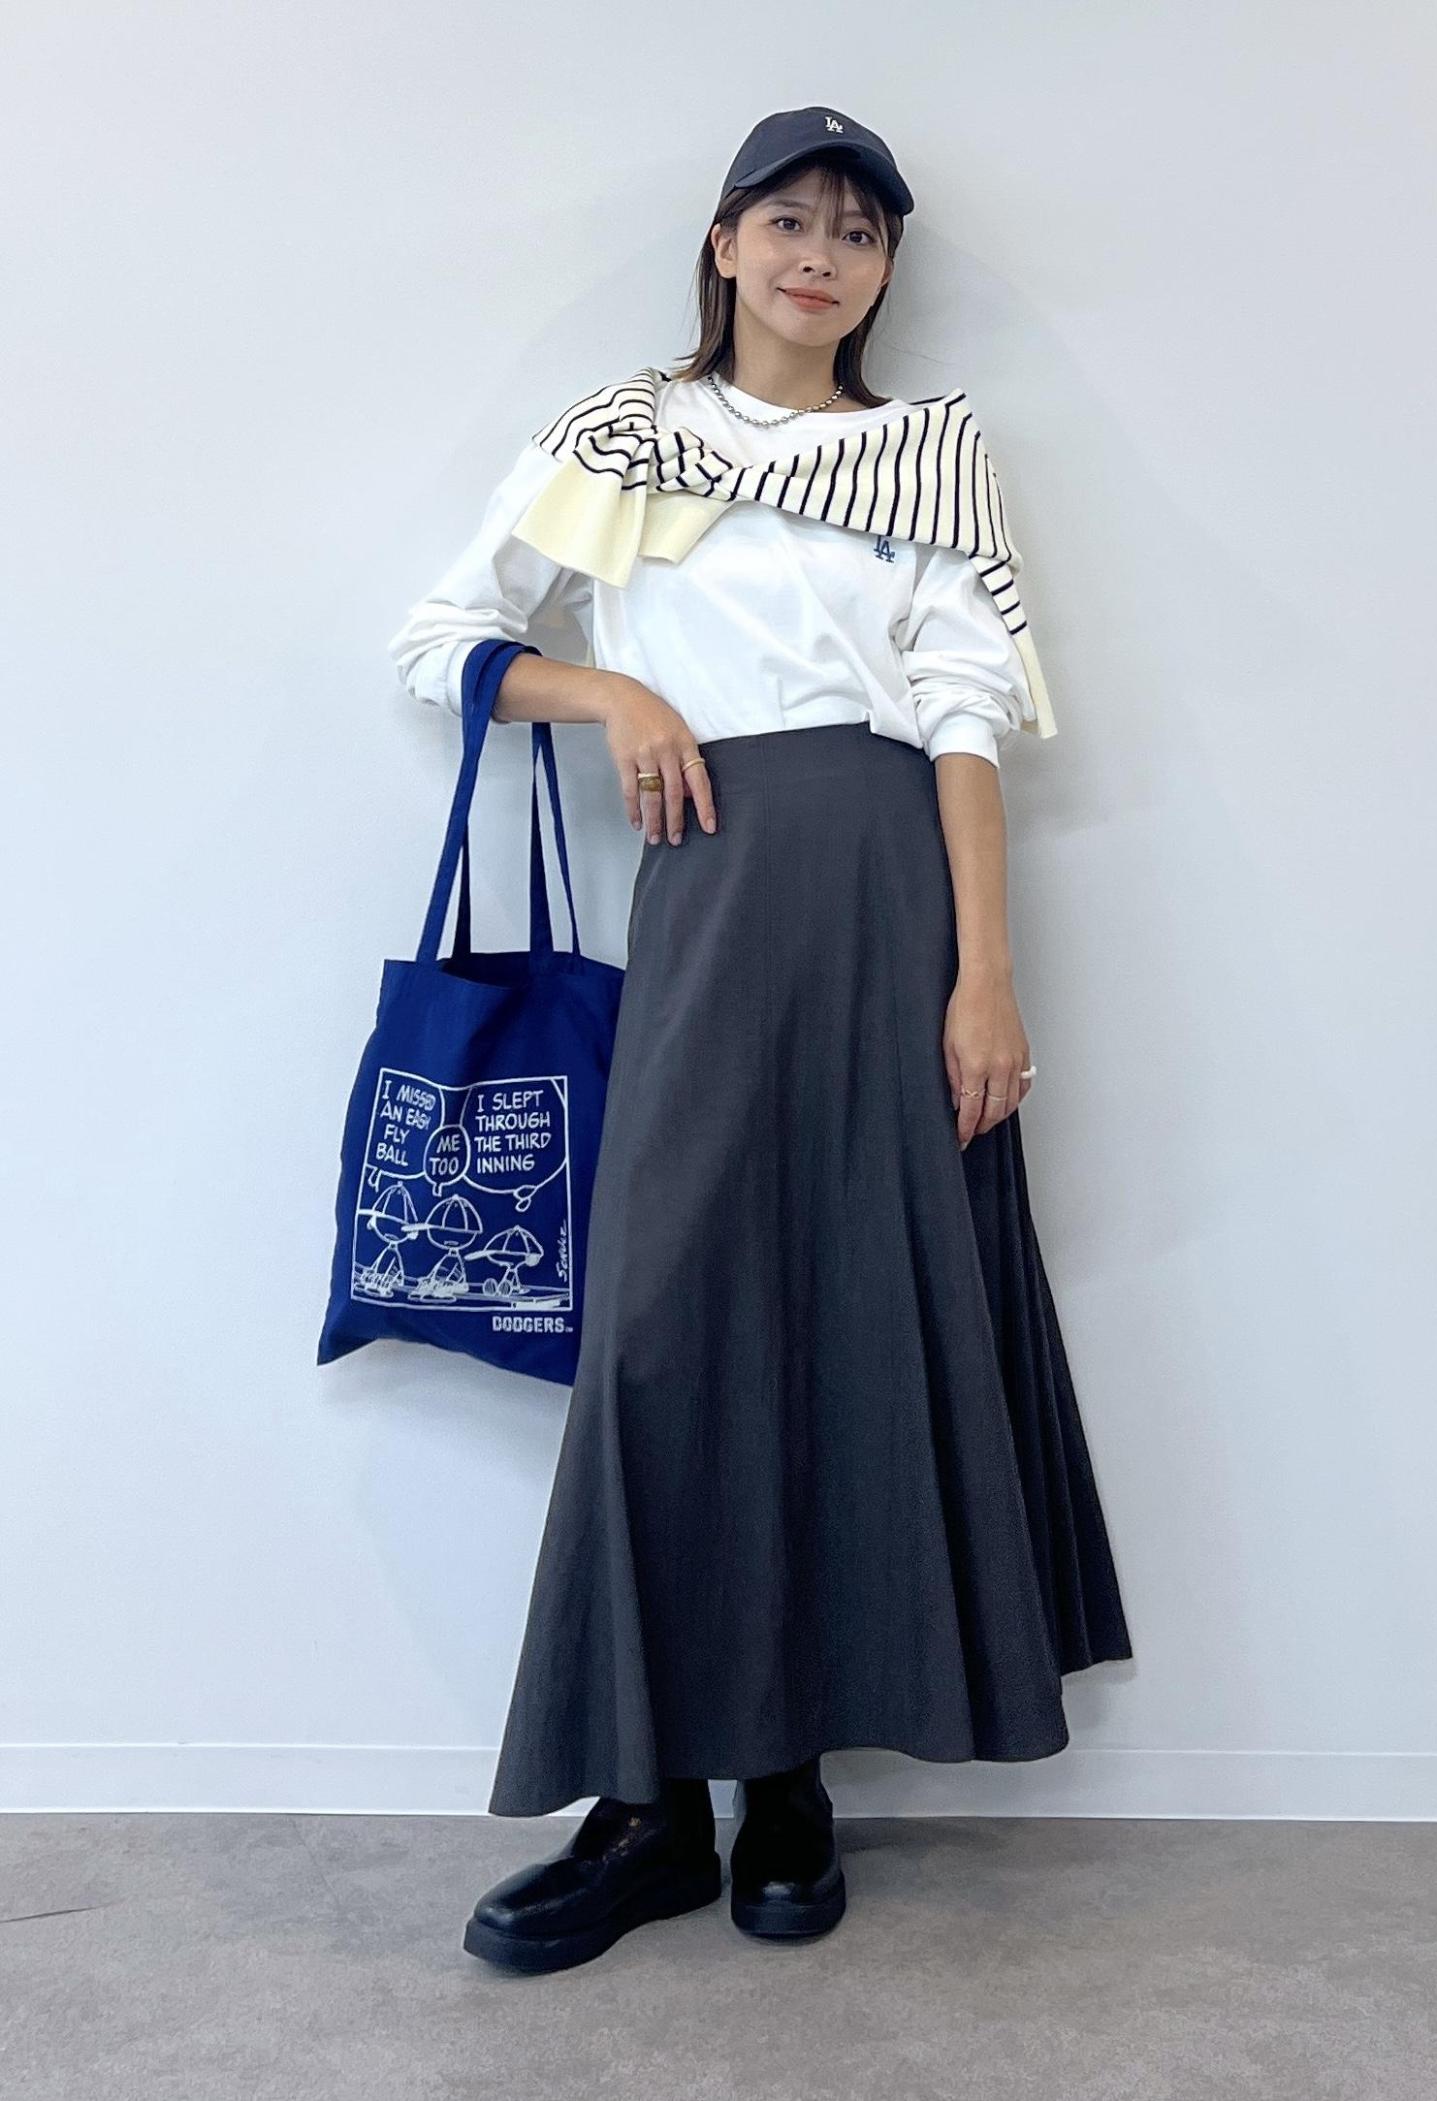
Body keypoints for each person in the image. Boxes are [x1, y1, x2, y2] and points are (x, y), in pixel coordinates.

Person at [386, 105, 1133, 1977]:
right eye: (788, 220)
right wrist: (612, 690)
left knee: (853, 1314)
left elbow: (963, 716)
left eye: (857, 232)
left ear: (884, 270)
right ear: (724, 242)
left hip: (893, 899)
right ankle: (650, 1806)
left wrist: (987, 975)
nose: (820, 255)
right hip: (714, 896)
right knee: (666, 1330)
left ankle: (786, 1781)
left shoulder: (930, 453)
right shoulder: (622, 435)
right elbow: (441, 639)